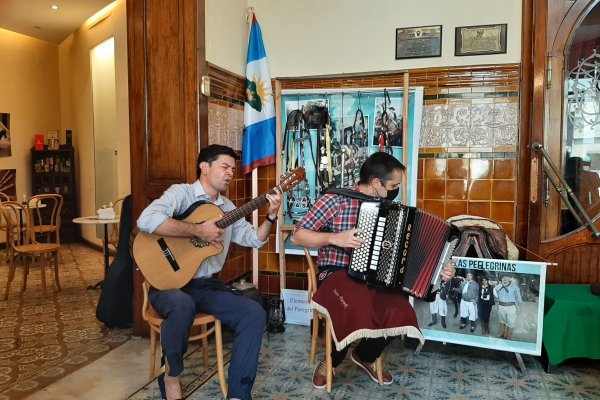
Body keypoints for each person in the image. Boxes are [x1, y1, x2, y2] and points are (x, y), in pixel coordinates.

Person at [290, 152, 455, 389]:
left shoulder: (392, 210)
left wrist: (439, 270)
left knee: (401, 309)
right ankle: (331, 361)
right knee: (354, 308)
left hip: (376, 276)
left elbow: (411, 254)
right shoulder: (335, 199)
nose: (396, 189)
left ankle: (365, 355)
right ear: (376, 182)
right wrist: (336, 238)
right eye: (393, 185)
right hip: (336, 271)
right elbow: (297, 236)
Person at [137, 144, 282, 400]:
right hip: (167, 284)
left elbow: (255, 240)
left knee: (253, 313)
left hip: (205, 286)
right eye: (225, 167)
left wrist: (270, 217)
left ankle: (238, 393)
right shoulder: (181, 194)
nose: (230, 173)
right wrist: (197, 230)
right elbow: (146, 221)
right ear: (205, 167)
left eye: (233, 169)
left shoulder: (229, 208)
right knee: (181, 305)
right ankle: (171, 375)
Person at [494, 273, 522, 340]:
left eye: (506, 277)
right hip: (501, 306)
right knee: (502, 321)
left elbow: (519, 299)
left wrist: (519, 308)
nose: (504, 279)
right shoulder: (497, 287)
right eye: (503, 277)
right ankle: (501, 333)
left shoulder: (515, 287)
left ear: (510, 278)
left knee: (511, 323)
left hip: (511, 307)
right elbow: (495, 296)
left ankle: (509, 336)